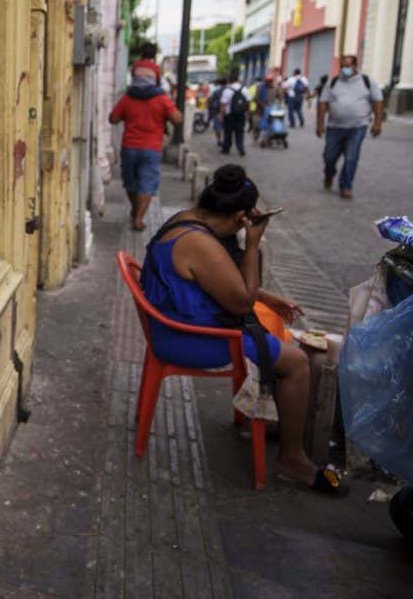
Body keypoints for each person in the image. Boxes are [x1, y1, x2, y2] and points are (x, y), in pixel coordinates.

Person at [140, 164, 342, 494]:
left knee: (272, 327)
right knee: (297, 362)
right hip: (189, 339)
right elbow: (241, 304)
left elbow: (214, 280)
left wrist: (265, 295)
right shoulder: (200, 244)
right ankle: (292, 458)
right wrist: (251, 245)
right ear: (239, 218)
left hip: (172, 326)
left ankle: (279, 418)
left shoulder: (186, 219)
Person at [109, 53, 182, 231]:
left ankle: (135, 210)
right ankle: (139, 218)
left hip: (129, 147)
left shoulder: (128, 98)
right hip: (151, 148)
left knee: (130, 182)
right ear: (156, 79)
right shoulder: (162, 98)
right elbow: (177, 119)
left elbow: (113, 118)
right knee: (147, 183)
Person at [316, 54, 384, 199]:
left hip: (358, 126)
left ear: (355, 66)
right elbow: (323, 103)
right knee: (329, 157)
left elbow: (377, 101)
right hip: (335, 127)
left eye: (347, 66)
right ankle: (329, 174)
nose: (344, 69)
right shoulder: (333, 82)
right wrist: (320, 124)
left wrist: (378, 123)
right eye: (342, 66)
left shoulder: (367, 81)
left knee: (351, 157)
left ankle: (346, 186)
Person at [219, 76, 251, 156]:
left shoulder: (227, 90)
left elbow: (223, 104)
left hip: (229, 115)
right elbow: (248, 101)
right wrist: (247, 112)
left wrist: (221, 114)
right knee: (240, 132)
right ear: (238, 80)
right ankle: (240, 147)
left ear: (230, 80)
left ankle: (226, 148)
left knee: (228, 132)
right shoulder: (244, 89)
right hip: (241, 114)